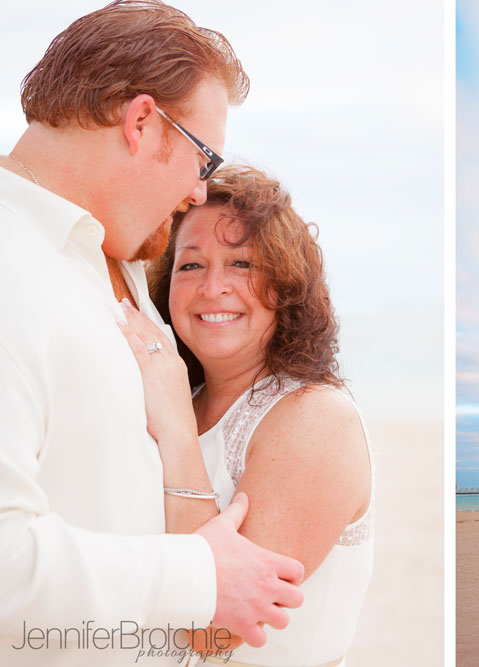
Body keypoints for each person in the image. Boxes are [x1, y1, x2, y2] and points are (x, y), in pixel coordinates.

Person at [0, 3, 305, 665]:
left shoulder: (119, 257)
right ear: (141, 122)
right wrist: (199, 575)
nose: (201, 192)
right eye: (203, 157)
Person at [117, 164, 373, 666]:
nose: (213, 288)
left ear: (285, 285)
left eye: (242, 264)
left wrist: (172, 421)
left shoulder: (316, 417)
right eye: (190, 266)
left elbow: (213, 632)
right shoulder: (178, 396)